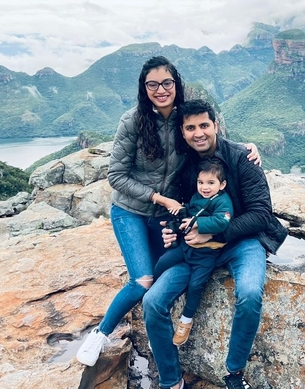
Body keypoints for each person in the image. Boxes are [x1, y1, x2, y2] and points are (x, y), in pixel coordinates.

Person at [76, 57, 260, 367]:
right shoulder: (132, 121)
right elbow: (116, 176)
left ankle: (170, 361)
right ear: (143, 88)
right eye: (153, 84)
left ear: (176, 85)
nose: (160, 90)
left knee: (166, 274)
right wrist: (159, 199)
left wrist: (245, 147)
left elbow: (205, 137)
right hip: (132, 211)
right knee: (142, 280)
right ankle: (99, 334)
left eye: (167, 83)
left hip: (166, 219)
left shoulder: (182, 120)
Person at [142, 99, 288, 389]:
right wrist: (173, 231)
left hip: (242, 242)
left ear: (215, 126)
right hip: (196, 250)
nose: (199, 133)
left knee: (248, 294)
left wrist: (215, 235)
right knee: (152, 302)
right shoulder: (185, 169)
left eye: (204, 125)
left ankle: (234, 373)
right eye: (191, 128)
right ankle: (171, 381)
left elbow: (261, 214)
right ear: (183, 132)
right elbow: (181, 211)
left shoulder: (241, 158)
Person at [153, 157, 233, 347]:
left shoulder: (223, 201)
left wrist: (197, 223)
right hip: (187, 247)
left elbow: (223, 221)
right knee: (163, 262)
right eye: (201, 182)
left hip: (206, 255)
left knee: (196, 285)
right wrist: (179, 213)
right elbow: (191, 209)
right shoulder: (198, 197)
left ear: (222, 185)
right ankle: (152, 289)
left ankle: (186, 321)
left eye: (211, 183)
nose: (205, 187)